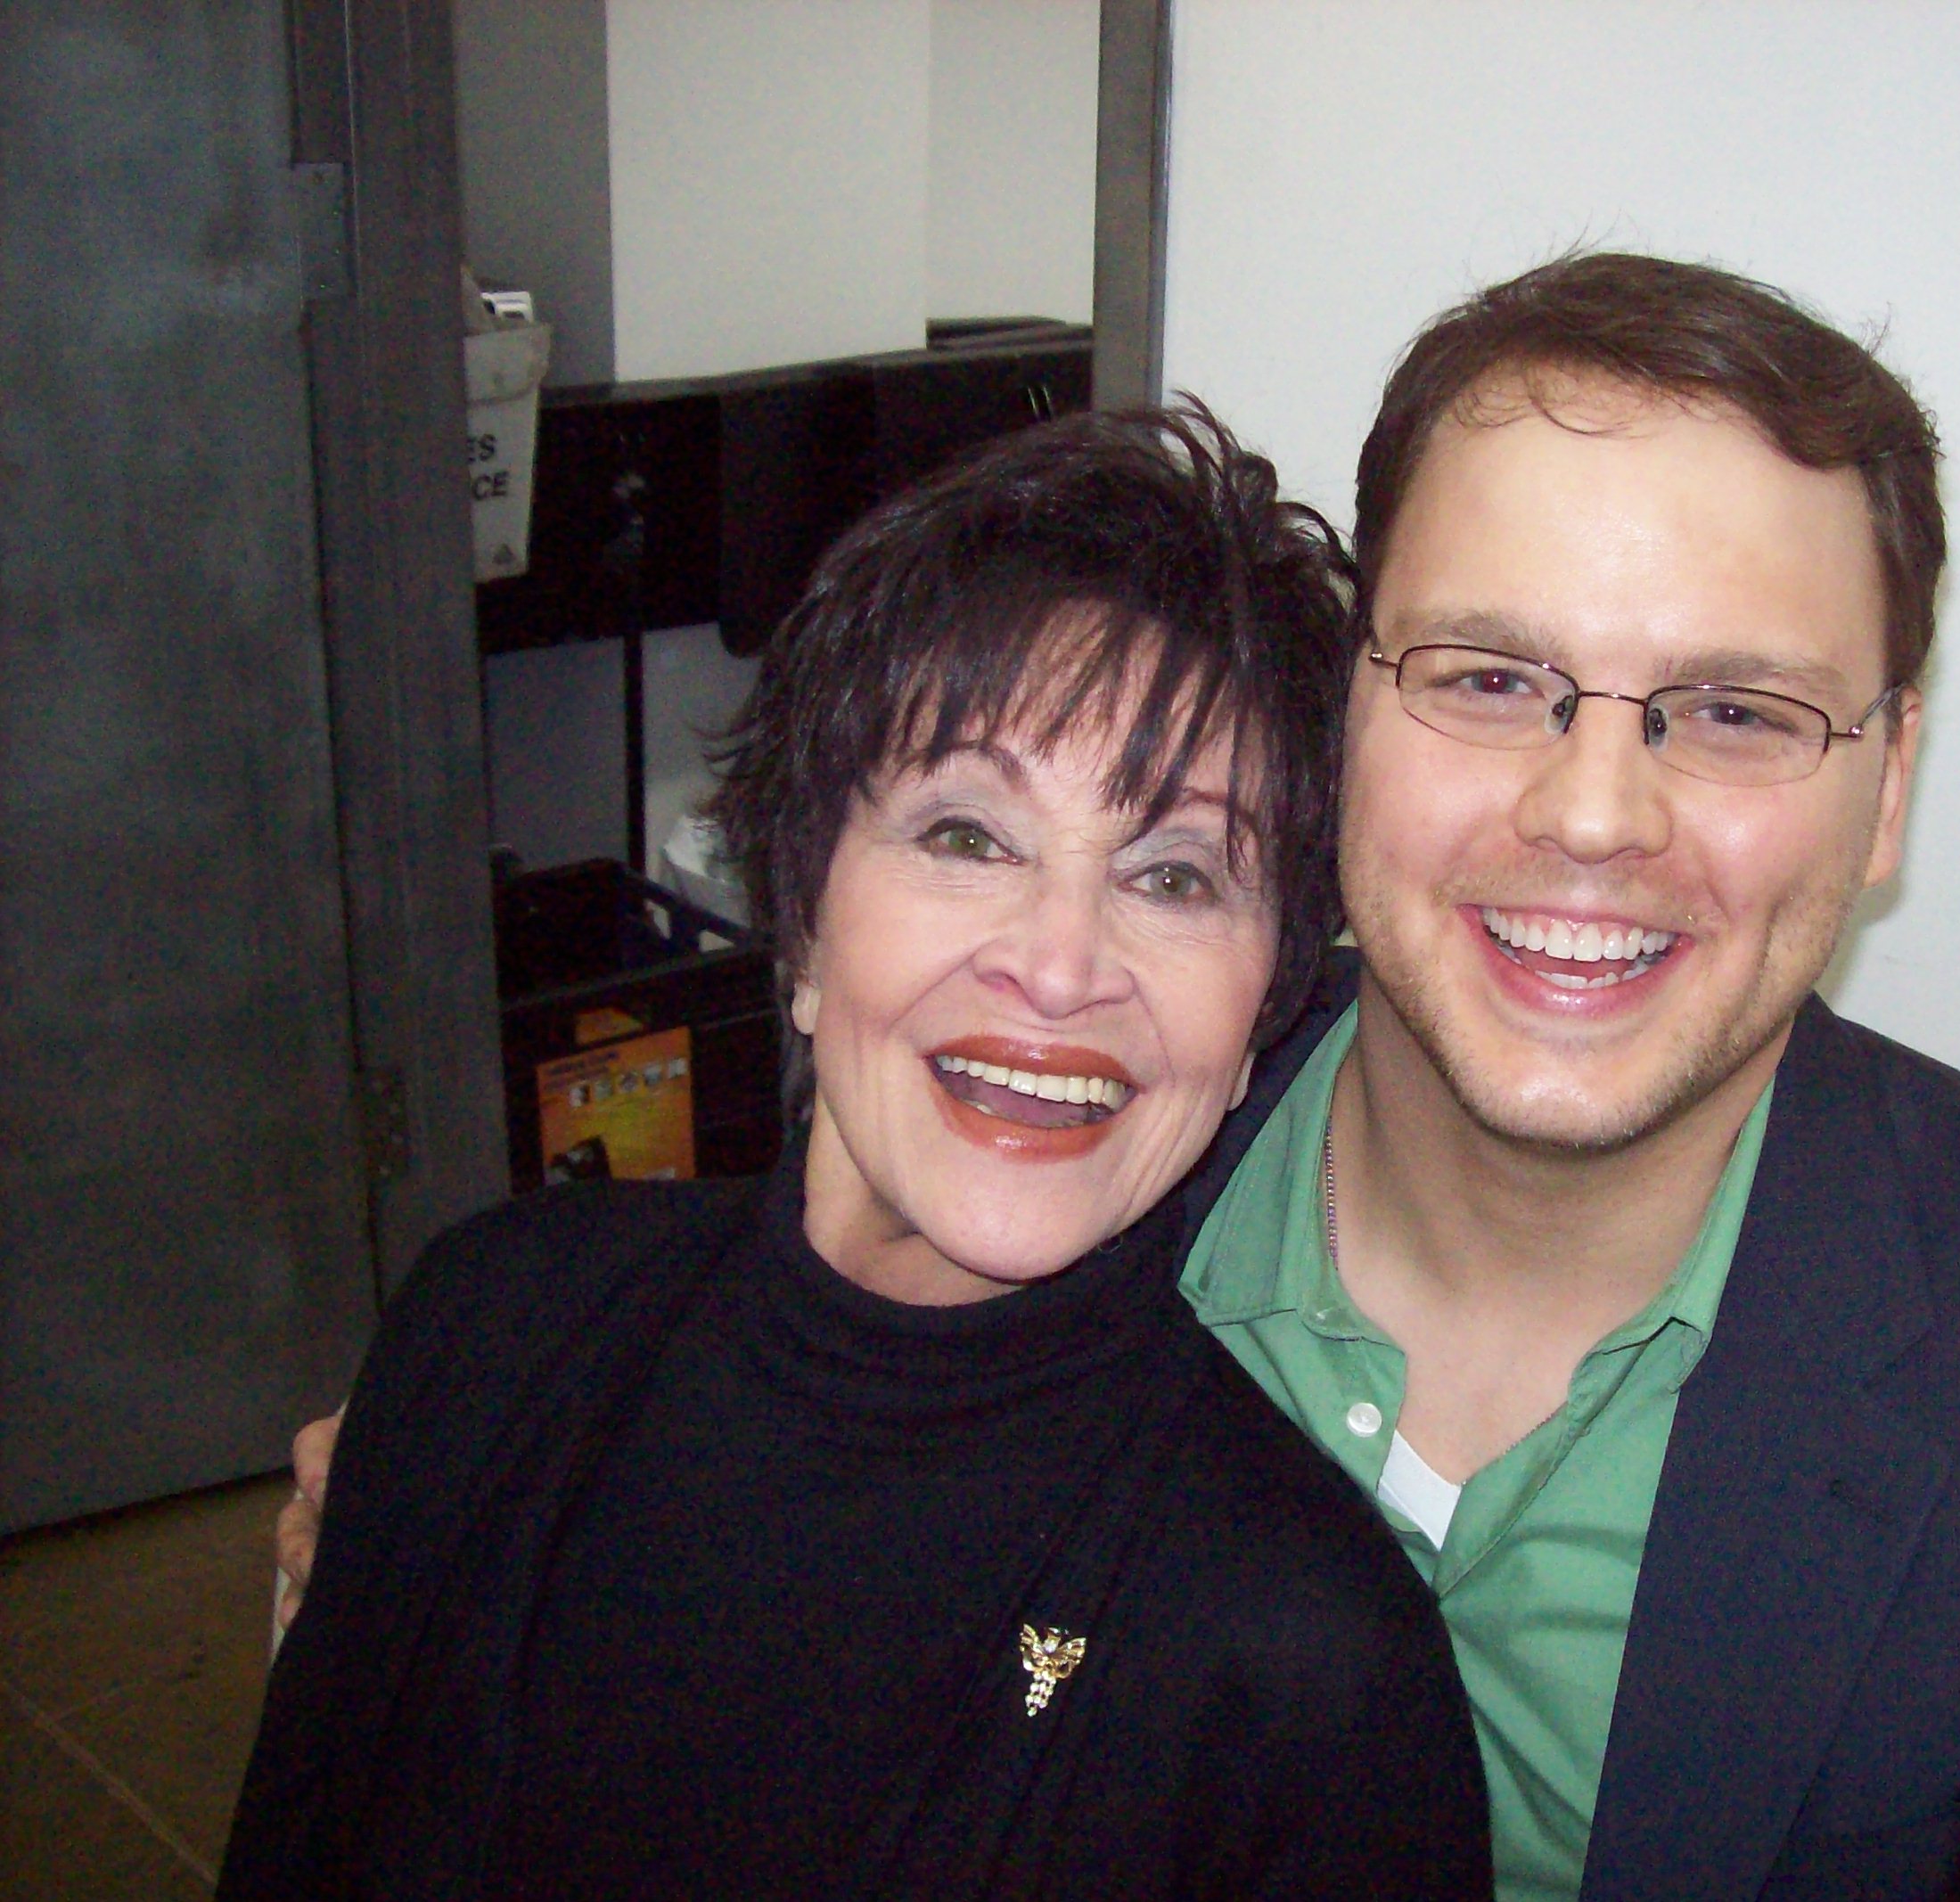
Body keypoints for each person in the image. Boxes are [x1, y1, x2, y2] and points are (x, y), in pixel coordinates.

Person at [281, 255, 1960, 1901]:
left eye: (1729, 709)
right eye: (1494, 675)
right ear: (1348, 735)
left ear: (1883, 790)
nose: (1591, 815)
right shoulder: (1064, 1106)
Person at [226, 406, 1493, 1900]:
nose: (1061, 962)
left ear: (1258, 1022)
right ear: (805, 924)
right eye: (968, 835)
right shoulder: (485, 1329)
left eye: (1173, 872)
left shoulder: (1311, 1664)